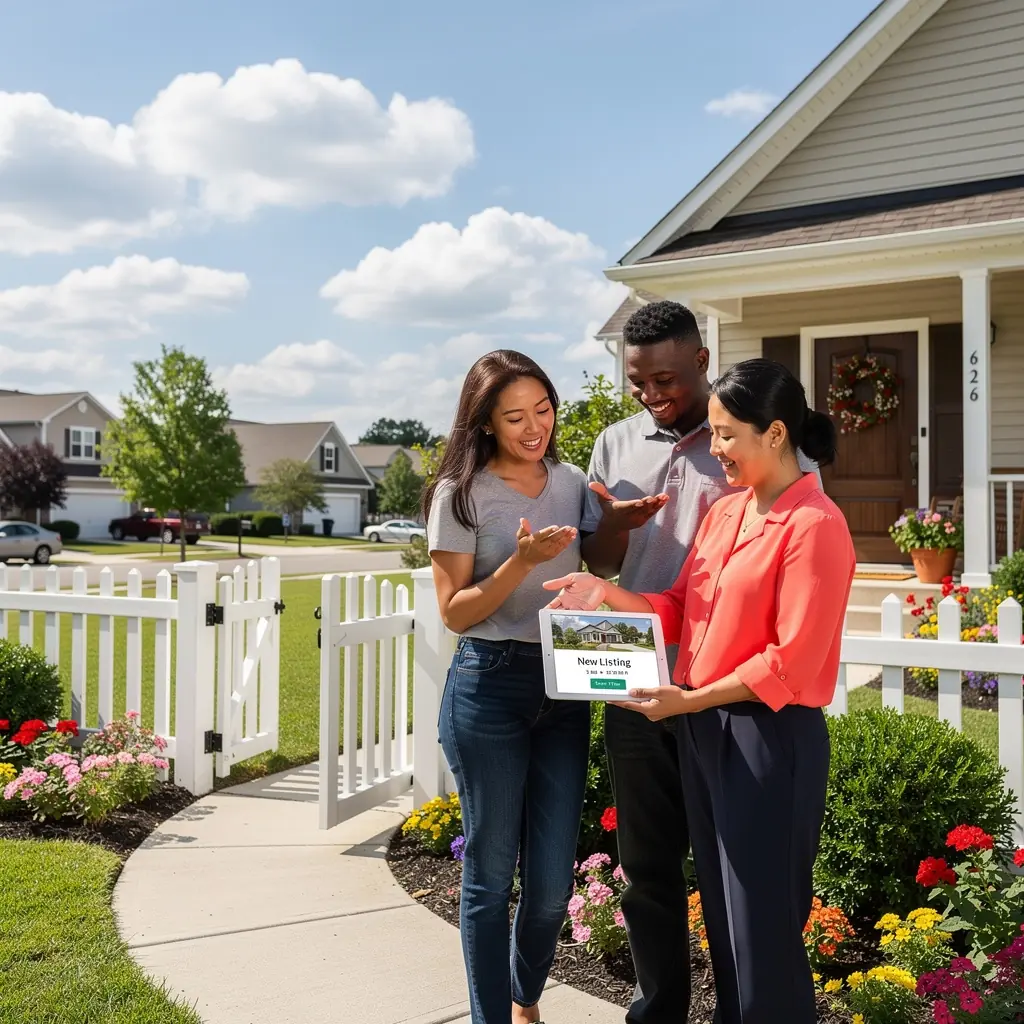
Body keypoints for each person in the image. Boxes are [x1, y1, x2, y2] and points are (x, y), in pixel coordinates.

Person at [546, 358, 855, 1024]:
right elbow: (684, 608)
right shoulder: (726, 515)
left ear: (775, 434)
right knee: (724, 927)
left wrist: (686, 700)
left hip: (767, 738)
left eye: (726, 435)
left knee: (762, 935)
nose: (714, 451)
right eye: (712, 434)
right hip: (706, 731)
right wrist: (608, 595)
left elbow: (792, 661)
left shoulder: (816, 526)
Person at [424, 349, 590, 1024]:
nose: (533, 428)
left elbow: (600, 562)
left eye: (543, 411)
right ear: (486, 422)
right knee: (491, 880)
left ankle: (525, 997)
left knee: (551, 888)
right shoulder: (460, 495)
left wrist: (627, 521)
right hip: (488, 687)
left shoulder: (573, 483)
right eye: (514, 416)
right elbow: (454, 610)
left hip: (563, 688)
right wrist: (519, 563)